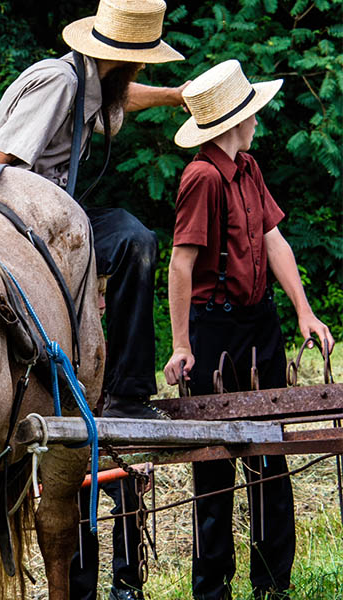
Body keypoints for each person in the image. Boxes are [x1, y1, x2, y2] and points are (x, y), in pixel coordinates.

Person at [0, 1, 186, 598]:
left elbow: (124, 103)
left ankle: (120, 387)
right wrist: (52, 263)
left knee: (127, 237)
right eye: (136, 62)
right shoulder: (55, 85)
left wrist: (174, 98)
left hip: (54, 226)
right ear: (117, 57)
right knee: (134, 240)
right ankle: (125, 391)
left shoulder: (94, 87)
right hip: (18, 226)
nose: (136, 74)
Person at [164, 59, 335, 600]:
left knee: (270, 458)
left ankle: (272, 586)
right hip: (215, 332)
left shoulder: (249, 168)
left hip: (259, 325)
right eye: (253, 112)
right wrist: (182, 344)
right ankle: (212, 590)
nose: (259, 119)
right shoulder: (203, 176)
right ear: (236, 118)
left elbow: (274, 242)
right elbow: (180, 264)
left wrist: (304, 311)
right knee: (214, 467)